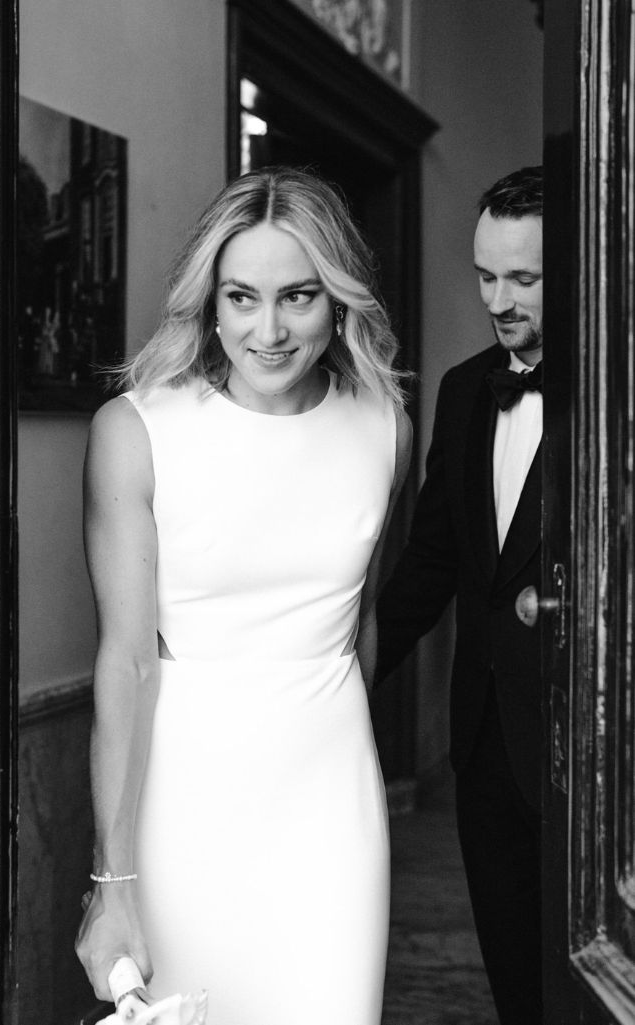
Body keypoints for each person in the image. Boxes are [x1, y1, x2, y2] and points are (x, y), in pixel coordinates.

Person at [74, 166, 412, 1025]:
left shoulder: (385, 426)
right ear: (210, 304)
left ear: (338, 299)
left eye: (299, 295)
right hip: (184, 800)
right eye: (242, 297)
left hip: (332, 805)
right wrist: (113, 878)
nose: (269, 330)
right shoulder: (137, 431)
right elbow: (126, 661)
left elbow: (361, 622)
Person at [373, 166, 544, 1025]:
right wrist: (344, 669)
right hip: (484, 743)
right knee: (516, 979)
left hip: (595, 750)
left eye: (523, 278)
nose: (497, 301)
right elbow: (433, 560)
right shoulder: (464, 388)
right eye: (485, 276)